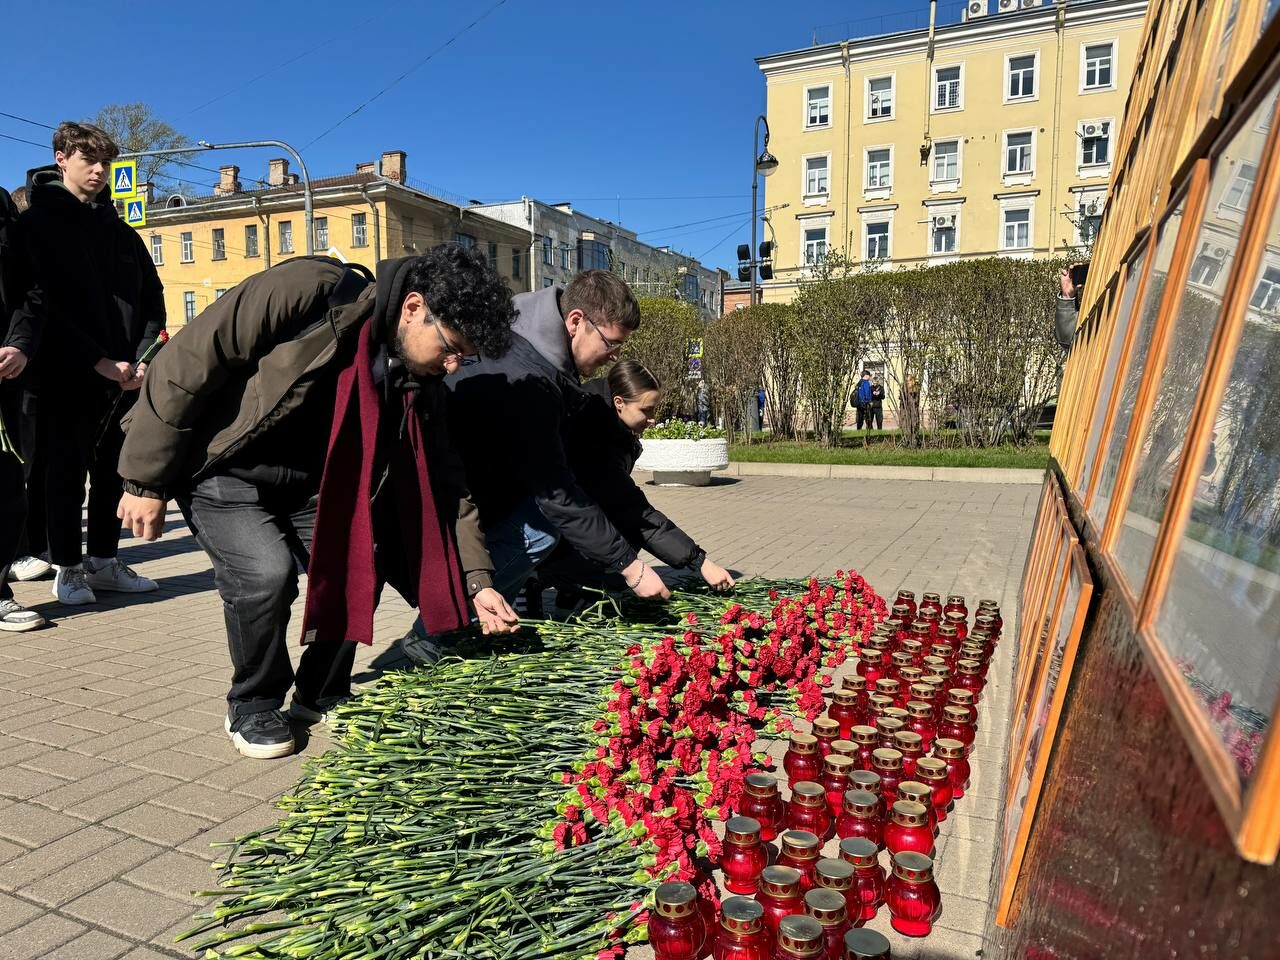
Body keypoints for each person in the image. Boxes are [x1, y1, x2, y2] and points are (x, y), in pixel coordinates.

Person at [116, 247, 520, 759]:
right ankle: (254, 702)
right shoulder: (309, 290)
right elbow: (189, 361)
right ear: (414, 307)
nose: (453, 364)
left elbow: (448, 481)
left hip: (312, 483)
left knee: (363, 561)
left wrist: (478, 581)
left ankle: (319, 692)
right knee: (265, 575)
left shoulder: (419, 381)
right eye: (451, 347)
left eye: (465, 356)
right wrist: (144, 481)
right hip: (225, 466)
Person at [401, 270, 669, 666]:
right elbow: (556, 492)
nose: (614, 356)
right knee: (541, 529)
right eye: (611, 343)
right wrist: (630, 567)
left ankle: (477, 623)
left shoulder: (528, 339)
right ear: (576, 321)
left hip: (477, 481)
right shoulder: (530, 373)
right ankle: (437, 633)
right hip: (449, 490)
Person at [15, 122, 165, 605]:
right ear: (61, 159)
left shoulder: (121, 233)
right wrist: (96, 360)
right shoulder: (36, 227)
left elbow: (152, 299)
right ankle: (68, 567)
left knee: (114, 472)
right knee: (64, 472)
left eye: (106, 162)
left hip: (125, 379)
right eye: (88, 160)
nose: (99, 170)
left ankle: (104, 560)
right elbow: (38, 306)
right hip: (64, 375)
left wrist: (141, 359)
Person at [557, 360, 735, 594]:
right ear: (619, 402)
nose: (652, 419)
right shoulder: (594, 435)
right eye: (646, 410)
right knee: (623, 538)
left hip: (571, 520)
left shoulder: (609, 423)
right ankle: (538, 581)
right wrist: (700, 563)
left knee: (625, 534)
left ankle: (572, 591)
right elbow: (633, 510)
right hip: (546, 527)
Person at [0, 185, 46, 631]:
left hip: (7, 376)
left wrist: (20, 344)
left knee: (9, 489)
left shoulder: (3, 213)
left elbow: (30, 292)